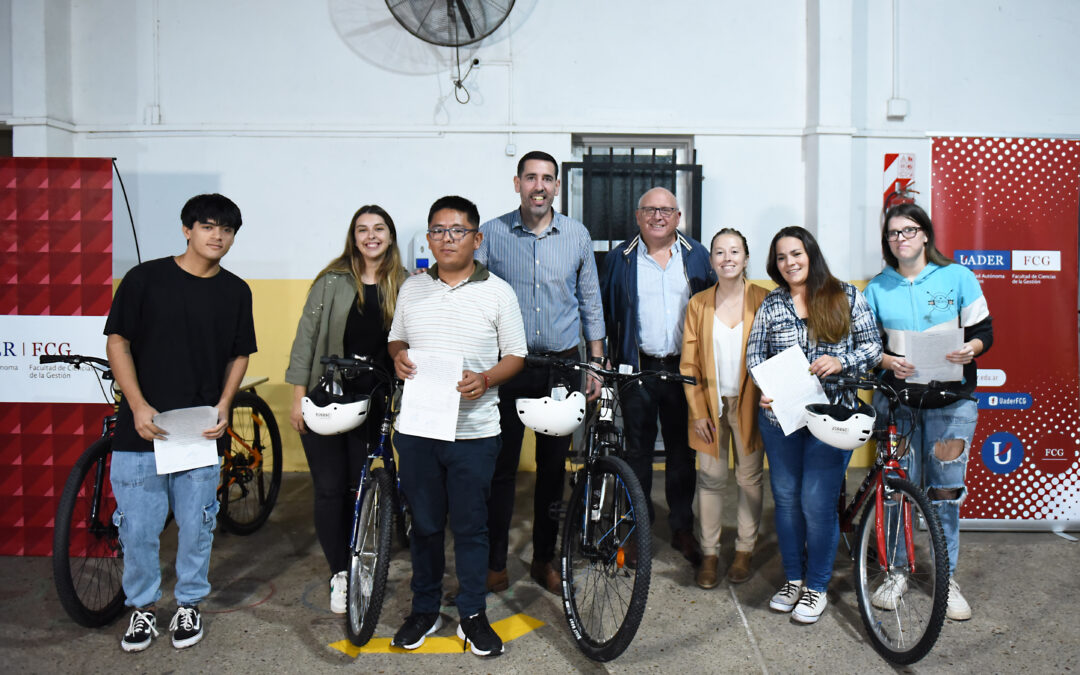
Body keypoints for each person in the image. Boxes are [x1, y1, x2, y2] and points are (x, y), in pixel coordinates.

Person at [104, 193, 256, 652]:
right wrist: (137, 404)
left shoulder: (235, 290)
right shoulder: (144, 279)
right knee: (137, 528)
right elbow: (118, 343)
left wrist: (226, 404)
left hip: (197, 430)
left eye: (226, 230)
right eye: (208, 226)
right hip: (142, 427)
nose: (218, 236)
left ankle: (189, 603)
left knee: (197, 525)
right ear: (187, 229)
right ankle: (143, 609)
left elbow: (239, 353)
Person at [388, 196, 526, 657]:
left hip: (475, 433)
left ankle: (471, 613)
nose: (448, 239)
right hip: (420, 429)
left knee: (471, 527)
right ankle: (424, 609)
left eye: (458, 230)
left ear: (476, 238)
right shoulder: (412, 289)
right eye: (439, 230)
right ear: (429, 238)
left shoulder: (499, 292)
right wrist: (399, 357)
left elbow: (516, 356)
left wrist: (486, 379)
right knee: (424, 526)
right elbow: (396, 338)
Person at [476, 150, 605, 594]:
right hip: (509, 366)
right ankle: (495, 562)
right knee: (501, 468)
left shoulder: (577, 235)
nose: (539, 186)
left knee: (553, 470)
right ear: (517, 184)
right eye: (531, 177)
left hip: (562, 367)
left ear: (556, 187)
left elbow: (590, 301)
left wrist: (595, 362)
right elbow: (476, 300)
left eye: (547, 179)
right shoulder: (491, 234)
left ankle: (544, 559)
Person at [862, 202, 992, 621]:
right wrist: (886, 360)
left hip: (951, 407)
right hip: (898, 407)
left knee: (945, 495)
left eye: (909, 230)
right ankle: (896, 572)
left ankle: (946, 577)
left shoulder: (958, 277)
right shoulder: (877, 287)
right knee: (898, 493)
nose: (901, 238)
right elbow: (866, 346)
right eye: (893, 233)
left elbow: (984, 332)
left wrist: (968, 349)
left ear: (925, 233)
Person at [746, 226, 881, 624]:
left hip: (833, 418)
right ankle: (793, 579)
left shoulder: (845, 296)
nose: (790, 263)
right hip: (780, 418)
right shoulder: (771, 304)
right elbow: (756, 356)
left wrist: (843, 362)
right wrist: (764, 388)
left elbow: (873, 346)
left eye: (796, 254)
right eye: (782, 257)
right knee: (786, 500)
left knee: (816, 503)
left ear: (811, 255)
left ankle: (817, 586)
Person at [284, 205, 406, 614]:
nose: (371, 236)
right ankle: (340, 571)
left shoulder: (404, 284)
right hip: (327, 398)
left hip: (373, 403)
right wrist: (298, 397)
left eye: (378, 229)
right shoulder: (331, 281)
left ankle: (359, 561)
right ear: (353, 237)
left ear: (389, 235)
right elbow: (306, 339)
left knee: (360, 489)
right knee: (329, 489)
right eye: (362, 230)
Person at [601, 186, 715, 568]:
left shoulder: (698, 256)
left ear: (678, 217)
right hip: (638, 368)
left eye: (666, 210)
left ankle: (682, 527)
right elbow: (604, 311)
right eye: (649, 210)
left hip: (684, 370)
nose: (657, 217)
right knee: (638, 454)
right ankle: (637, 530)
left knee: (684, 454)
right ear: (637, 216)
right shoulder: (621, 258)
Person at [680, 228, 769, 588]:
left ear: (746, 258)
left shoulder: (765, 300)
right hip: (710, 407)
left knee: (749, 478)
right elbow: (688, 365)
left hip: (752, 404)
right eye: (719, 252)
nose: (727, 258)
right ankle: (711, 553)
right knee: (711, 480)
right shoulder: (699, 303)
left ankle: (745, 549)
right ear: (711, 260)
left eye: (735, 251)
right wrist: (699, 412)